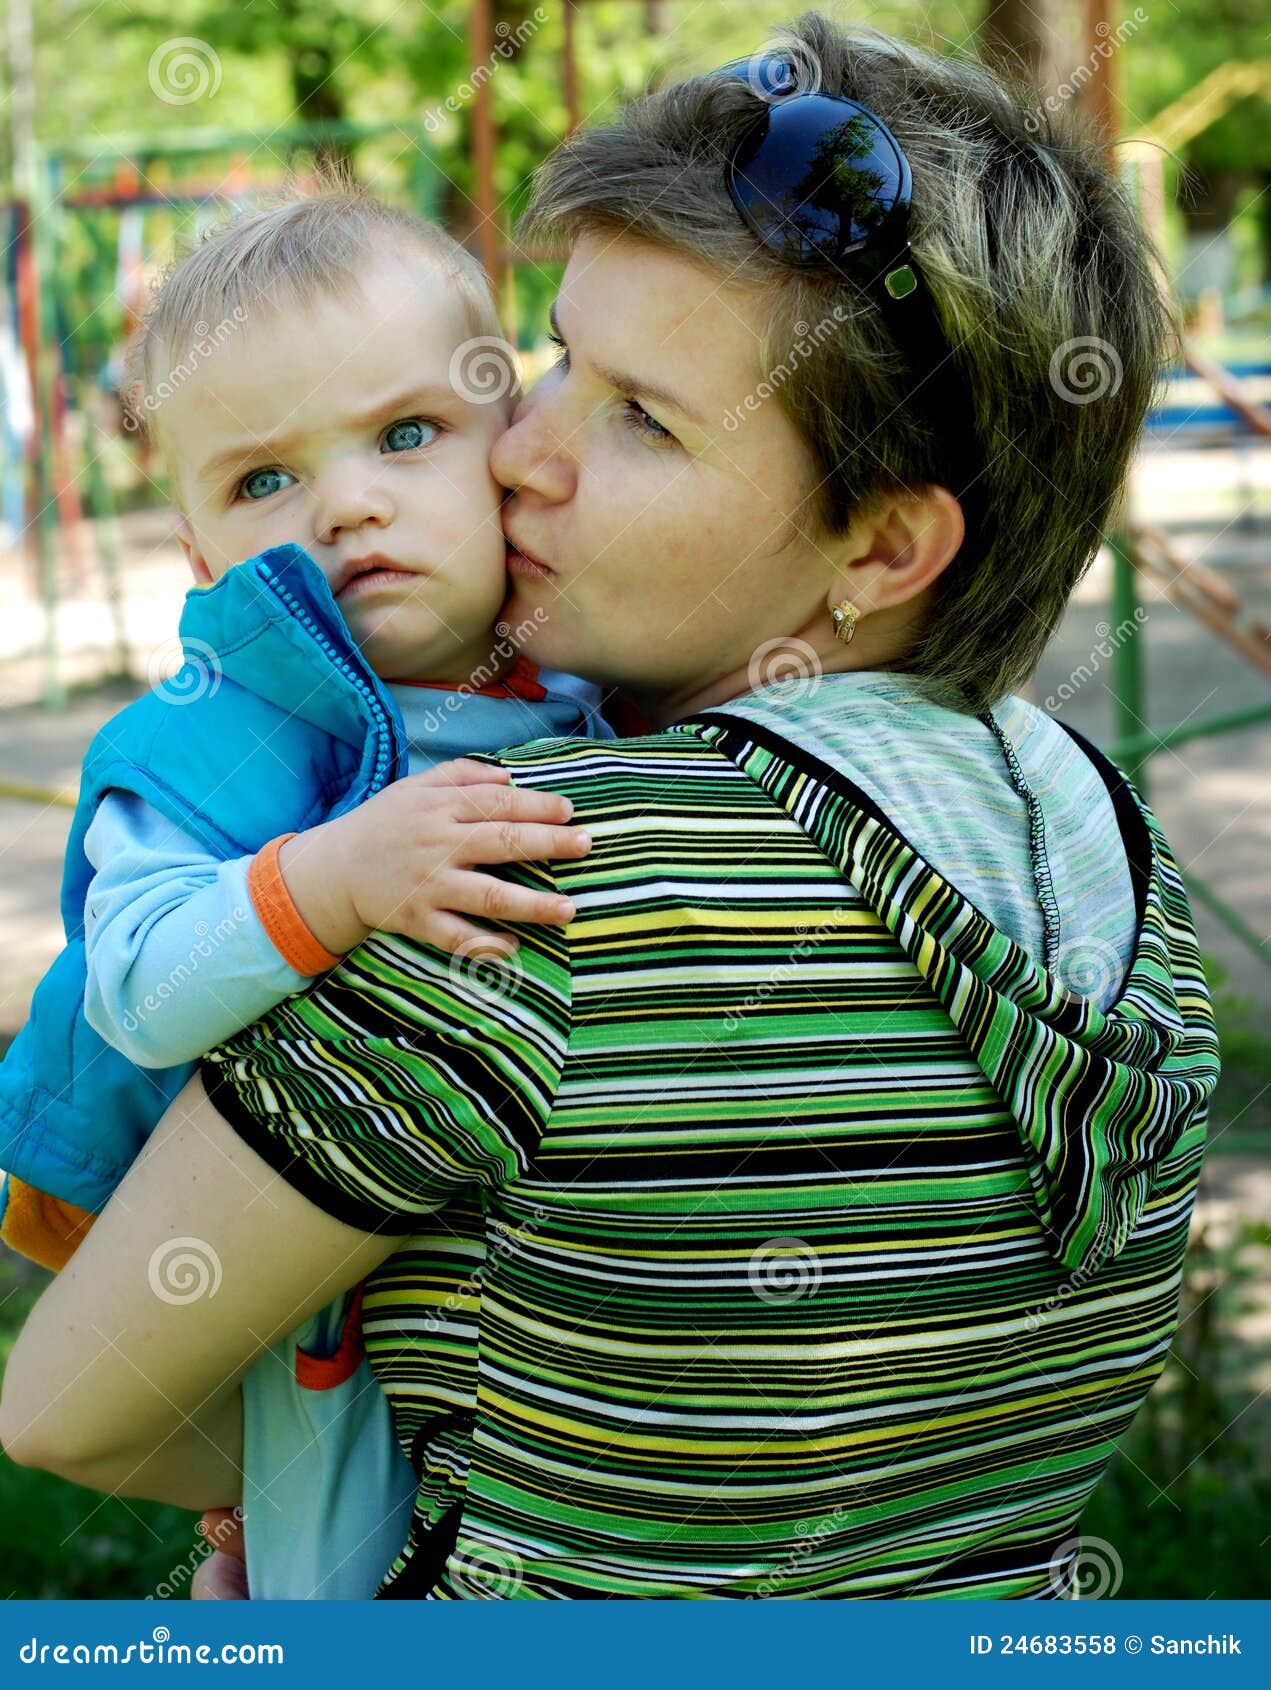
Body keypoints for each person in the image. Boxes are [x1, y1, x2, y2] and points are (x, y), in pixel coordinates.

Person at [1, 15, 1219, 1599]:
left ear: (882, 551)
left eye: (638, 416)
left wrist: (308, 1541)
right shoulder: (1133, 887)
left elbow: (69, 1405)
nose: (523, 449)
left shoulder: (522, 880)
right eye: (556, 356)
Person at [0, 185, 599, 1598]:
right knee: (333, 1537)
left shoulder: (577, 683)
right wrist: (335, 878)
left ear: (506, 443)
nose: (348, 502)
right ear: (202, 550)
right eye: (265, 480)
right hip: (275, 1261)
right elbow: (140, 980)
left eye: (406, 434)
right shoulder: (216, 732)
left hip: (508, 1251)